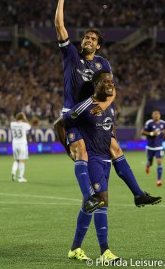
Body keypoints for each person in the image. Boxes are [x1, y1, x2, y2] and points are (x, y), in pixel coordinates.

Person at [54, 0, 161, 211]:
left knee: (115, 149)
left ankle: (138, 194)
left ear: (98, 45)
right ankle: (89, 196)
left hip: (94, 114)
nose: (88, 40)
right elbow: (59, 26)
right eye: (86, 37)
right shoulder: (72, 56)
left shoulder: (103, 64)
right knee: (81, 152)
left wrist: (104, 105)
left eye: (92, 38)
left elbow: (111, 91)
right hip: (74, 114)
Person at [64, 70, 120, 262]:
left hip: (104, 159)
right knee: (101, 200)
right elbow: (60, 123)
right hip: (92, 158)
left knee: (89, 205)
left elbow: (111, 127)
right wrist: (70, 149)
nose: (109, 84)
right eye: (105, 81)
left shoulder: (110, 106)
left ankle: (75, 248)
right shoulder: (84, 106)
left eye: (111, 81)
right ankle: (105, 251)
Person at [141, 110, 165, 186]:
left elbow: (164, 131)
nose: (156, 115)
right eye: (155, 114)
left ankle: (159, 180)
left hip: (159, 147)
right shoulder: (149, 123)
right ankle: (147, 166)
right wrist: (152, 133)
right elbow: (142, 132)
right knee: (150, 163)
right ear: (152, 116)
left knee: (159, 162)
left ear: (160, 115)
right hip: (150, 147)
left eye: (157, 114)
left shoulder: (163, 123)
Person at [10, 112, 31, 182]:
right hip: (22, 144)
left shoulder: (12, 124)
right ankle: (20, 177)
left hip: (15, 144)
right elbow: (30, 127)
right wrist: (26, 119)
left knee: (16, 160)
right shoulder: (24, 125)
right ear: (22, 118)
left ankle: (13, 172)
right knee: (22, 160)